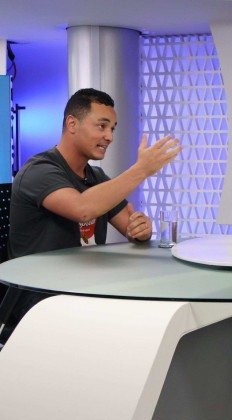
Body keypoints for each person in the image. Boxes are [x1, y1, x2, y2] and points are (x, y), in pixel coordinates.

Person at [0, 88, 182, 346]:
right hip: (41, 303)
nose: (109, 137)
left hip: (83, 290)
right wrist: (141, 170)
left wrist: (141, 229)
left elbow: (129, 225)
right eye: (102, 126)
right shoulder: (39, 170)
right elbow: (82, 208)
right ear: (72, 124)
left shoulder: (95, 176)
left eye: (113, 129)